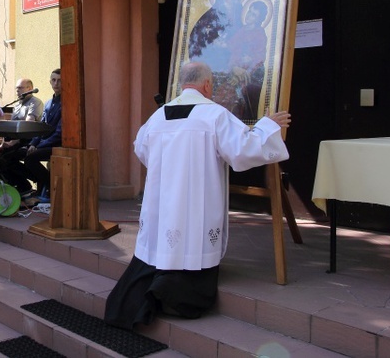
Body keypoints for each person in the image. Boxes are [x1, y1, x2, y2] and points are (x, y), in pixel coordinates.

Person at [104, 62, 290, 328]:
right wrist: (266, 127)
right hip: (195, 201)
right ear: (207, 85)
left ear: (183, 84)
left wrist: (168, 165)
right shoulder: (214, 115)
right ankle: (174, 295)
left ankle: (148, 291)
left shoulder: (158, 116)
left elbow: (141, 148)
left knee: (161, 246)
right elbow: (243, 149)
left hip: (163, 197)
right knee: (192, 243)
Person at [4, 69, 61, 201]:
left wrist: (39, 145)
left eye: (59, 80)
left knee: (30, 158)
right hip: (43, 143)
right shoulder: (48, 103)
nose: (56, 83)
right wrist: (33, 144)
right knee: (9, 155)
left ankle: (51, 187)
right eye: (53, 80)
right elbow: (40, 128)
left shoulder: (66, 103)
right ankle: (31, 186)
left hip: (57, 144)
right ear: (50, 82)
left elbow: (59, 133)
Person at [0, 78, 44, 194]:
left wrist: (12, 143)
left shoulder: (35, 103)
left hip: (28, 141)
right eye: (16, 89)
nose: (17, 91)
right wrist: (3, 143)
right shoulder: (17, 105)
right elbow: (11, 129)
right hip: (14, 141)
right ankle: (14, 184)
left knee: (7, 156)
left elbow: (27, 127)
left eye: (20, 88)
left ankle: (32, 181)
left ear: (29, 89)